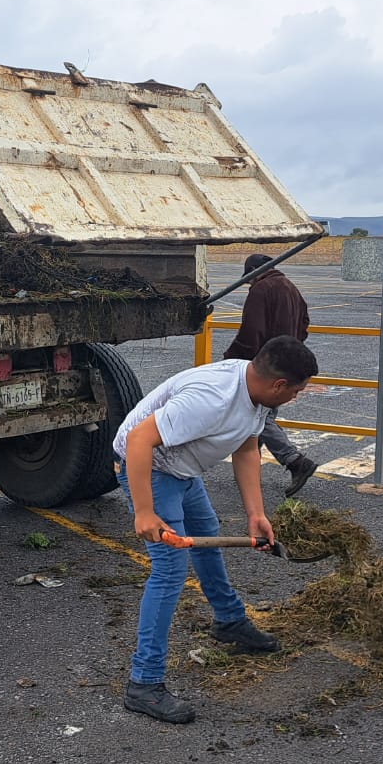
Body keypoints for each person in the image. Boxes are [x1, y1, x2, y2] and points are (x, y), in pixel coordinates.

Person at [115, 334, 319, 724]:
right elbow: (139, 441)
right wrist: (144, 511)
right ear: (279, 385)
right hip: (151, 470)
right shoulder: (210, 398)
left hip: (183, 471)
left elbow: (245, 448)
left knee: (207, 541)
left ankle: (229, 622)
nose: (295, 398)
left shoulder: (256, 396)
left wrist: (255, 514)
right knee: (170, 570)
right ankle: (144, 683)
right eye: (295, 392)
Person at [224, 254, 319, 497]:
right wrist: (292, 346)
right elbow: (305, 321)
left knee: (259, 417)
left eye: (248, 278)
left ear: (254, 270)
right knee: (260, 416)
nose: (249, 283)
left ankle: (295, 461)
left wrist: (234, 359)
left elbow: (251, 331)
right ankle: (247, 472)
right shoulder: (290, 287)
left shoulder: (261, 288)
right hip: (287, 362)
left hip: (265, 366)